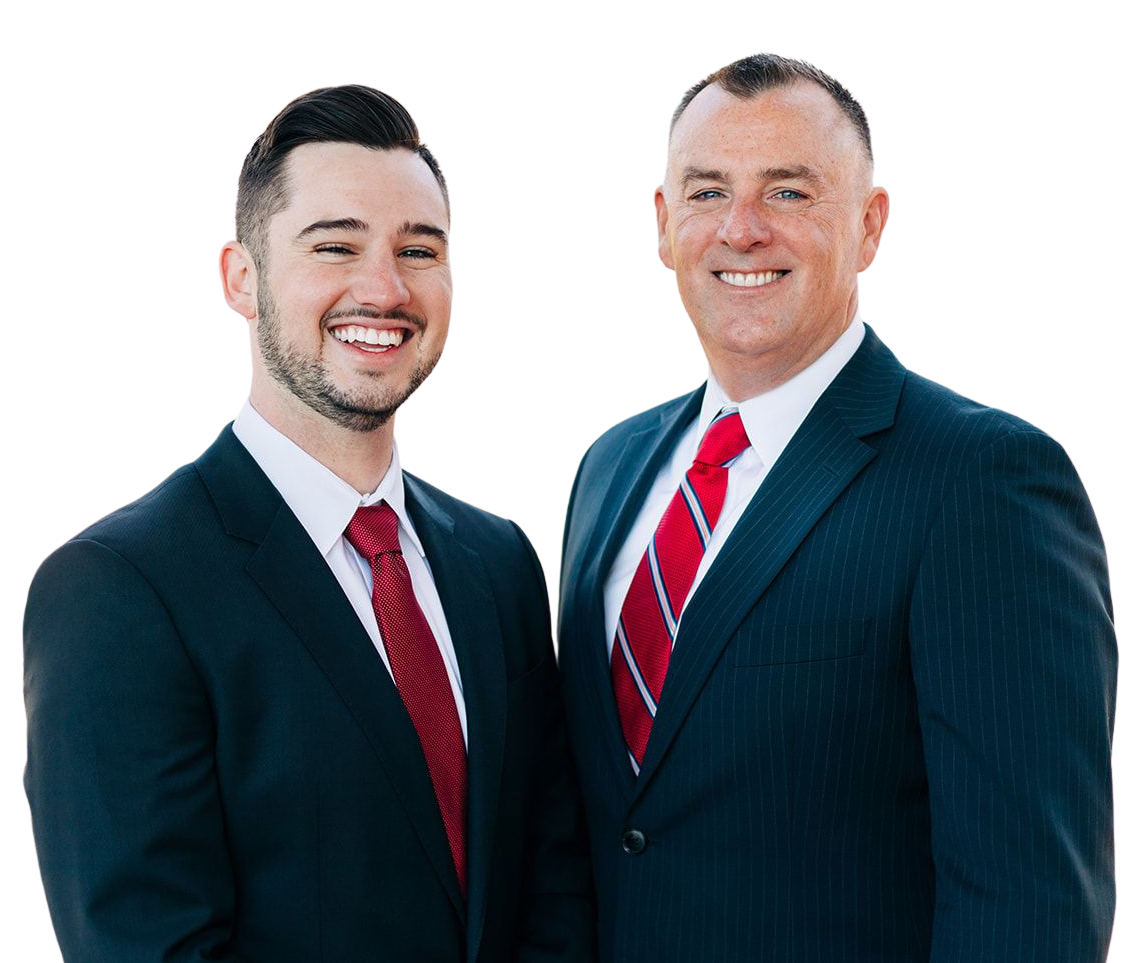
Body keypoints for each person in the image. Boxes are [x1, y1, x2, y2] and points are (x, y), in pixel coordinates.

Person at [557, 53, 1116, 962]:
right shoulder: (610, 467)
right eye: (707, 192)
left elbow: (1032, 903)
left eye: (788, 192)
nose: (741, 229)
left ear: (869, 224)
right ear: (663, 225)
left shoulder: (983, 479)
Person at [23, 84, 594, 962]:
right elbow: (146, 944)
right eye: (335, 245)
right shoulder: (118, 586)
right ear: (239, 277)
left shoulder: (499, 561)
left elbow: (551, 882)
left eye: (420, 249)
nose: (384, 287)